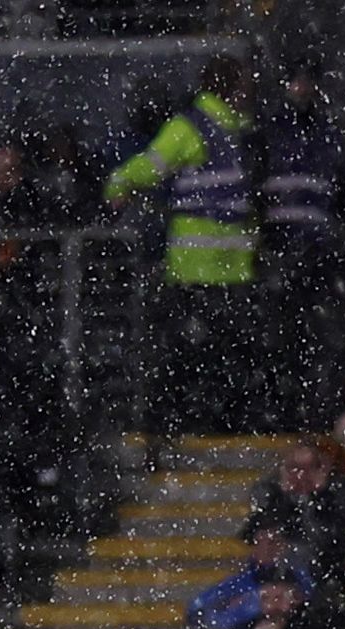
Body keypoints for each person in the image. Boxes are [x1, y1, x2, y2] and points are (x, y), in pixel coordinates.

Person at [100, 55, 259, 431]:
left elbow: (150, 166)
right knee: (219, 356)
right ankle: (215, 422)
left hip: (202, 266)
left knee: (195, 355)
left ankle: (191, 423)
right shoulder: (231, 130)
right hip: (224, 267)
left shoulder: (200, 128)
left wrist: (120, 183)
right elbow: (151, 166)